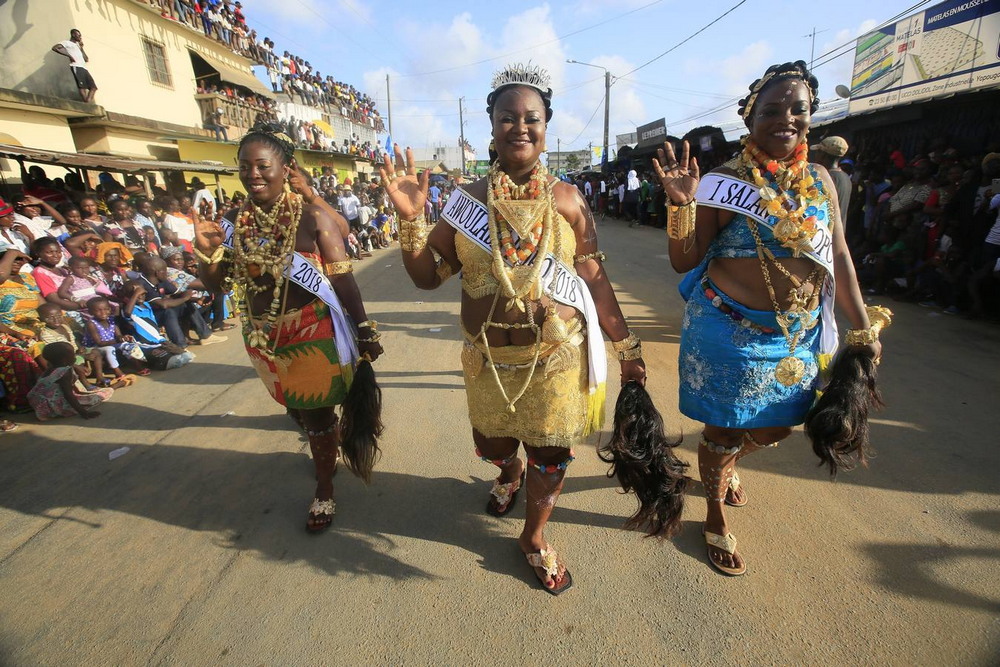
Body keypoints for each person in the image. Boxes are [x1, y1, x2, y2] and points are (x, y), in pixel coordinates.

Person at [381, 64, 645, 595]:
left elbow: (593, 278)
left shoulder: (569, 201)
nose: (519, 127)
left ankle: (534, 535)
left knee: (551, 455)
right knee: (493, 443)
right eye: (508, 118)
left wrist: (626, 346)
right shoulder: (466, 202)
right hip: (488, 363)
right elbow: (428, 276)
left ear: (547, 127)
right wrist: (411, 221)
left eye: (532, 118)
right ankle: (508, 473)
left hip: (554, 363)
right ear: (492, 126)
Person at [653, 61, 887, 577]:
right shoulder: (724, 180)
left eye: (798, 109)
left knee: (780, 425)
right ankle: (713, 514)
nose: (787, 119)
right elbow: (684, 259)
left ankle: (728, 462)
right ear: (749, 116)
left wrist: (861, 325)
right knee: (722, 429)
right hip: (726, 329)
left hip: (796, 334)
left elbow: (839, 258)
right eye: (772, 110)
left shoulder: (821, 179)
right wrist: (682, 208)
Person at [192, 122, 384, 533]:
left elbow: (341, 277)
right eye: (244, 167)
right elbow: (218, 285)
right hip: (262, 336)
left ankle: (325, 488)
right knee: (295, 407)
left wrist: (364, 327)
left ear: (284, 169)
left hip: (310, 332)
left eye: (262, 165)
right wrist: (206, 254)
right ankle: (324, 444)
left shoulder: (311, 216)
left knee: (315, 416)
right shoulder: (233, 221)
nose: (253, 174)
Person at [27, 342, 112, 421]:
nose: (75, 356)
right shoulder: (64, 372)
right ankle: (117, 385)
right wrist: (84, 413)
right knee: (97, 397)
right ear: (65, 359)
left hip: (38, 403)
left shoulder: (51, 366)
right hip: (50, 406)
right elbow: (68, 395)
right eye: (73, 354)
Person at [810, 136, 852, 225]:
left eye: (818, 152)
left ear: (823, 154)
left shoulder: (824, 179)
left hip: (827, 231)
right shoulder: (846, 177)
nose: (816, 155)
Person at [51, 29, 97, 103]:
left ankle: (87, 101)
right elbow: (55, 48)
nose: (80, 37)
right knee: (82, 87)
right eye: (78, 35)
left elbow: (86, 59)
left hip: (83, 67)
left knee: (93, 87)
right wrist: (69, 56)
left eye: (80, 35)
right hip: (76, 66)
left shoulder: (78, 46)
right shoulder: (67, 43)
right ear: (73, 35)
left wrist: (81, 48)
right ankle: (86, 102)